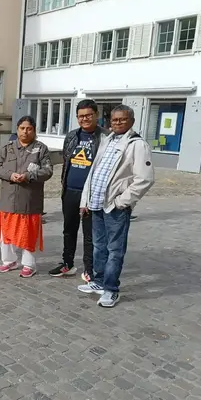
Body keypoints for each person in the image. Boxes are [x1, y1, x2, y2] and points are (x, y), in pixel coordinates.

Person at [78, 105, 154, 308]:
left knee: (115, 250)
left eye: (122, 119)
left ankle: (111, 290)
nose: (118, 122)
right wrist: (85, 201)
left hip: (115, 208)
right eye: (114, 119)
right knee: (98, 247)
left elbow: (144, 179)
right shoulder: (107, 139)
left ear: (132, 121)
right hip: (96, 205)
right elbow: (94, 172)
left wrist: (121, 202)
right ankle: (99, 281)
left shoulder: (137, 145)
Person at [49, 99, 108, 282]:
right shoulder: (72, 136)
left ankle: (89, 268)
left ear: (97, 115)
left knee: (90, 234)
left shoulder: (105, 137)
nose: (85, 119)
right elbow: (66, 161)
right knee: (69, 230)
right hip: (70, 191)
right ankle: (67, 263)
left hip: (91, 194)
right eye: (81, 116)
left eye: (89, 115)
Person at [0, 116, 53, 277]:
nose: (25, 131)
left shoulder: (41, 149)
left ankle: (29, 264)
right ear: (17, 129)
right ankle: (9, 261)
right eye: (22, 128)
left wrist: (28, 176)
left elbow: (48, 171)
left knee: (29, 234)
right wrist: (10, 175)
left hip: (30, 201)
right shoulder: (7, 148)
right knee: (6, 233)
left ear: (34, 130)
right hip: (9, 200)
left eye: (29, 128)